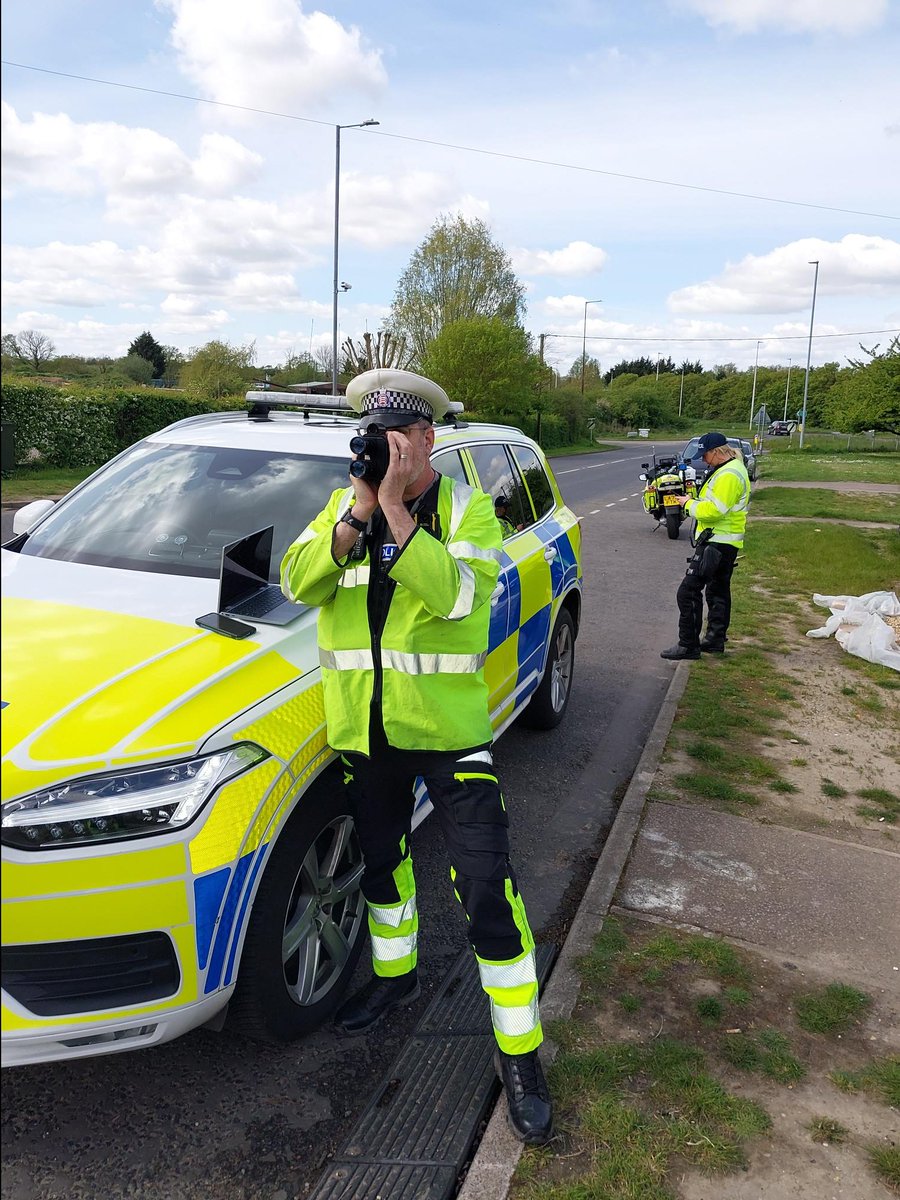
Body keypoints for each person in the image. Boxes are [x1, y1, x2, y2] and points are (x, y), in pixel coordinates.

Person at [280, 368, 553, 1145]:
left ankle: (520, 1050)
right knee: (380, 865)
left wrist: (398, 509)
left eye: (399, 438)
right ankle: (394, 979)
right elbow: (300, 583)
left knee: (487, 887)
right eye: (374, 437)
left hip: (447, 736)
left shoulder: (472, 512)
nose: (384, 449)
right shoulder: (345, 505)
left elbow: (461, 603)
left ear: (429, 438)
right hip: (366, 736)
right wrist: (362, 511)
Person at [660, 430, 751, 661]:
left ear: (716, 452)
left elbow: (714, 511)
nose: (702, 459)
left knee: (688, 592)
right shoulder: (730, 469)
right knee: (717, 591)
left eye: (705, 455)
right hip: (725, 542)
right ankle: (714, 640)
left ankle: (688, 645)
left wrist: (688, 504)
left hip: (717, 541)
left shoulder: (728, 475)